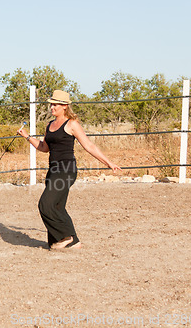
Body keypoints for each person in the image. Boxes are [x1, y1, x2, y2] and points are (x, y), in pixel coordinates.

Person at [17, 90, 121, 250]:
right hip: (53, 170)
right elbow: (44, 148)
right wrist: (27, 136)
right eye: (51, 104)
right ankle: (62, 241)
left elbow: (89, 145)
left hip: (66, 170)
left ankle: (69, 237)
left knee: (45, 204)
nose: (52, 107)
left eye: (55, 104)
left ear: (65, 106)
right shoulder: (50, 125)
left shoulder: (72, 124)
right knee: (57, 206)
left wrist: (109, 163)